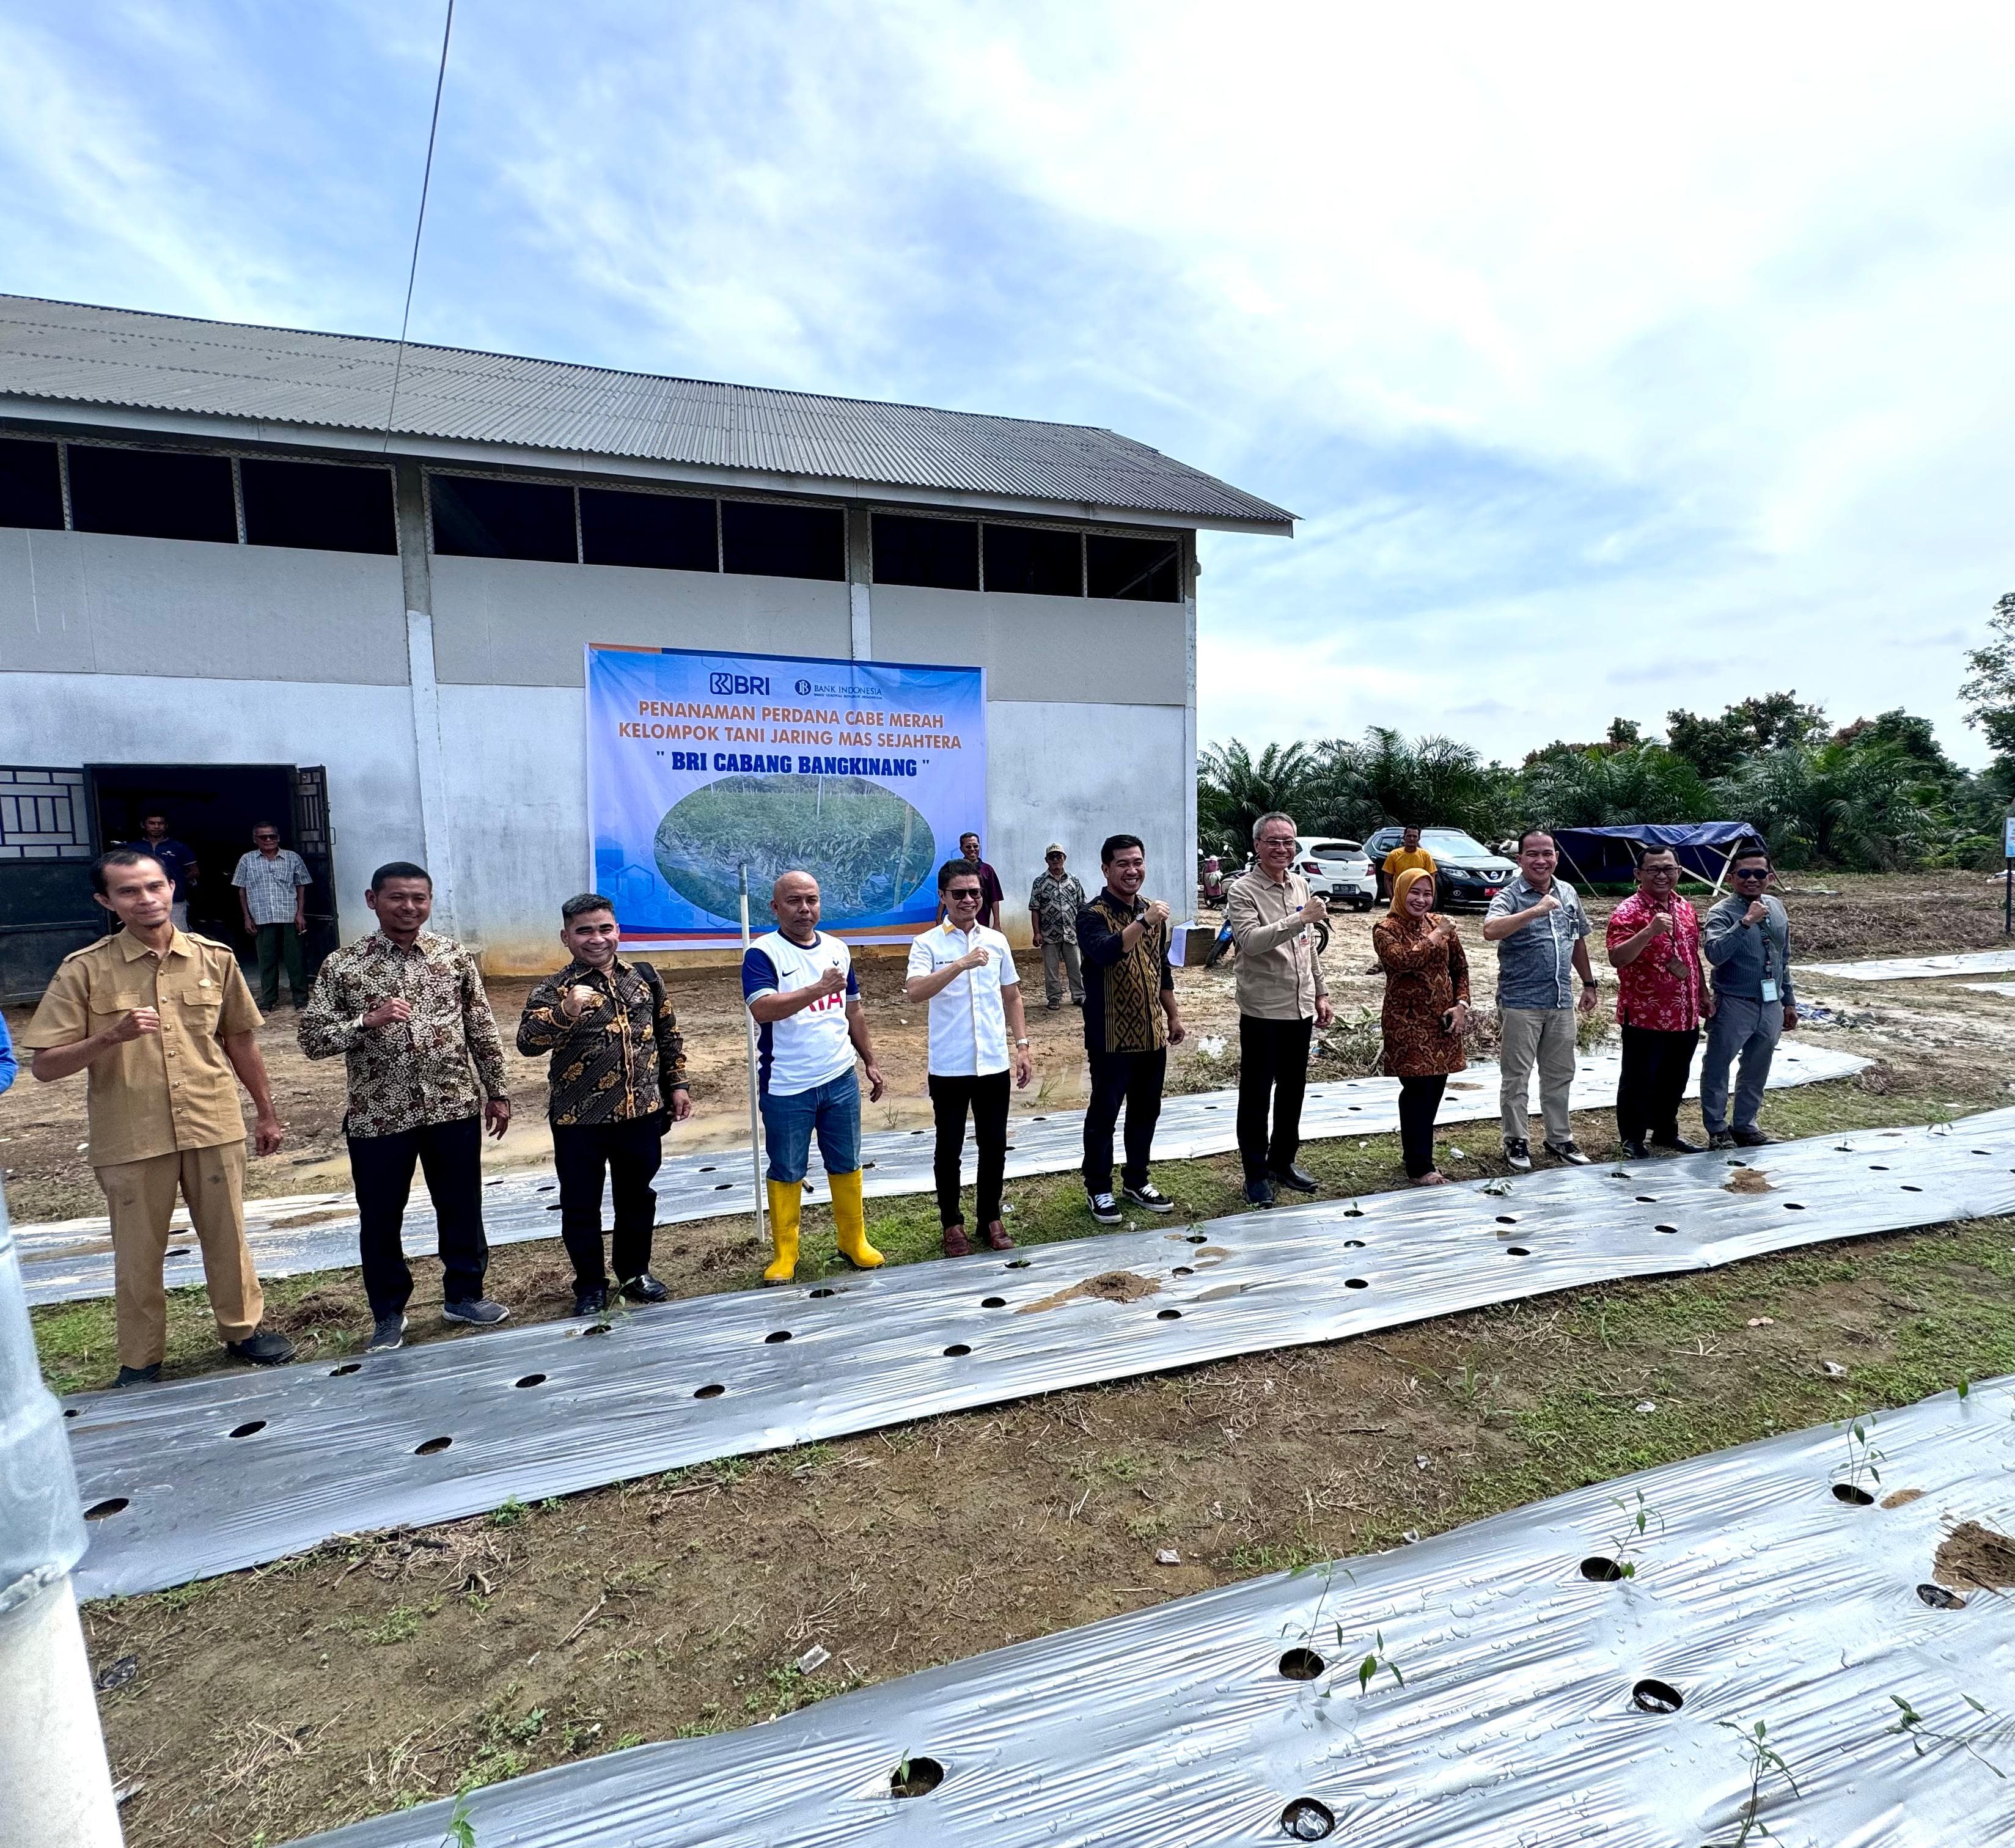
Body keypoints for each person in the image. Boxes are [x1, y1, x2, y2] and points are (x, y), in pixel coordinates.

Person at [19, 848, 293, 1382]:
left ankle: (242, 1331)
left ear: (172, 888)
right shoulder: (85, 970)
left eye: (154, 886)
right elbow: (46, 1067)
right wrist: (112, 1036)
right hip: (132, 1133)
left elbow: (240, 1041)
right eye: (128, 891)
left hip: (211, 1119)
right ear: (106, 900)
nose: (145, 900)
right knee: (138, 1250)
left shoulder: (215, 958)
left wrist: (266, 1112)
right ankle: (141, 1359)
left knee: (228, 1233)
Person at [299, 860, 512, 1352]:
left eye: (419, 898)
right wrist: (365, 1022)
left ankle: (464, 1296)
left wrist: (496, 1091)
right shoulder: (343, 966)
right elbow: (311, 1040)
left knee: (460, 1207)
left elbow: (480, 1027)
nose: (409, 907)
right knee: (380, 1217)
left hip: (451, 1106)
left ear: (430, 901)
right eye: (397, 897)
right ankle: (388, 1314)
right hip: (378, 1116)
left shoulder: (453, 958)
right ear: (373, 901)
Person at [516, 893, 692, 1316]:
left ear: (618, 931)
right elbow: (527, 1044)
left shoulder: (644, 978)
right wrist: (565, 1011)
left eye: (604, 928)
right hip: (580, 1121)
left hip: (641, 1114)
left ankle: (634, 1273)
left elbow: (667, 1035)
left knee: (637, 1198)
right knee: (581, 1206)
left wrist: (677, 1085)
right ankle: (590, 1286)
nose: (596, 939)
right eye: (584, 931)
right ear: (566, 937)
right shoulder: (554, 988)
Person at [743, 870, 888, 1283]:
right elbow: (764, 1009)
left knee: (846, 1161)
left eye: (812, 900)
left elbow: (853, 1010)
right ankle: (785, 1254)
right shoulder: (762, 953)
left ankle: (852, 1240)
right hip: (787, 1085)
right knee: (787, 1168)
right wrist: (817, 987)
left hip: (839, 1078)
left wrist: (869, 1061)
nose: (804, 909)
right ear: (775, 907)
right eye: (793, 901)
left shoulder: (838, 949)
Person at [906, 859, 1035, 1255]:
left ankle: (989, 1217)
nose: (968, 900)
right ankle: (951, 1223)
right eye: (958, 893)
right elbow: (914, 991)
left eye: (974, 893)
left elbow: (1011, 995)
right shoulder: (927, 944)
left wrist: (1023, 1045)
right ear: (943, 897)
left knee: (993, 1144)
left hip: (992, 1063)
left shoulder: (995, 941)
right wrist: (960, 964)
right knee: (949, 1147)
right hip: (949, 1066)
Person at [1076, 832, 1187, 1222]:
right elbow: (1106, 952)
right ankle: (1099, 1188)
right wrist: (1144, 920)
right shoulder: (1091, 914)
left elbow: (1162, 969)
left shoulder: (1152, 911)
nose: (1132, 870)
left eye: (1137, 862)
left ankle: (1136, 1179)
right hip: (1109, 1035)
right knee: (1105, 1113)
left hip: (1151, 1033)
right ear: (1106, 869)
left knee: (1146, 1111)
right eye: (1122, 863)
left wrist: (1172, 1015)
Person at [1226, 812, 1334, 1206]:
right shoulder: (1243, 890)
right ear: (1257, 846)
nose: (1281, 849)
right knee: (1256, 1094)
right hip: (1263, 1009)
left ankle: (1282, 1161)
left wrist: (1321, 992)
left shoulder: (1301, 885)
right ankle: (1255, 1173)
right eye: (1273, 842)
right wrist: (1299, 918)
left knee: (1293, 1090)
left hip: (1300, 1007)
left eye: (1288, 842)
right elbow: (1250, 941)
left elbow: (1307, 946)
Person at [1483, 828, 1599, 1169]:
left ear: (1556, 857)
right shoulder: (1510, 895)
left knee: (1560, 1073)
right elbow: (1490, 930)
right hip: (1521, 1001)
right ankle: (1516, 1141)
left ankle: (1559, 1138)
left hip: (1561, 1000)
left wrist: (1589, 984)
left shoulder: (1568, 893)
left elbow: (1578, 939)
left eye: (1547, 853)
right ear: (1520, 859)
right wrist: (1535, 910)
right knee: (1516, 1076)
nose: (1541, 860)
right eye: (1532, 854)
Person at [1606, 846, 1712, 1159]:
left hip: (1685, 1012)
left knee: (1675, 1078)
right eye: (1654, 869)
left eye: (1669, 868)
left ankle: (1666, 1132)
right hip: (1645, 1014)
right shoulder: (1628, 911)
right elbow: (1617, 958)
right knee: (1639, 1080)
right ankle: (1632, 1139)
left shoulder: (1685, 908)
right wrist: (1649, 932)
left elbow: (1691, 957)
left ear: (1679, 872)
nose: (1662, 875)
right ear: (1639, 875)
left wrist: (1703, 994)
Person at [1373, 867, 1471, 1184]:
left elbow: (1460, 968)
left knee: (1435, 1090)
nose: (1421, 899)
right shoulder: (1386, 928)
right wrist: (1437, 934)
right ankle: (1419, 1166)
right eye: (1414, 892)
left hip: (1441, 1023)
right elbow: (1402, 961)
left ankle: (1420, 1155)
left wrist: (1461, 1004)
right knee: (1417, 1089)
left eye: (1427, 893)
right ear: (1400, 893)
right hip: (1407, 1023)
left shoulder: (1440, 924)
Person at [1700, 845, 1797, 1149]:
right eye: (1744, 873)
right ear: (1732, 878)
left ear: (1770, 877)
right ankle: (1717, 1129)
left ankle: (1745, 1125)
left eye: (1759, 874)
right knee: (1718, 1066)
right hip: (1734, 1003)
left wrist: (1788, 1000)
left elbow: (1784, 956)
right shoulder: (1721, 913)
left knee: (1757, 1067)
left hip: (1771, 1003)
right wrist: (1745, 923)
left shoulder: (1777, 907)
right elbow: (1715, 954)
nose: (1752, 879)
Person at [232, 823, 314, 1011]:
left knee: (296, 959)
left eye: (272, 836)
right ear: (255, 840)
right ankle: (268, 1000)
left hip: (289, 915)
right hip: (261, 916)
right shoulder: (247, 860)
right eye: (263, 837)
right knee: (266, 960)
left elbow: (301, 885)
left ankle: (301, 1000)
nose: (268, 840)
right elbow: (242, 890)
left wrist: (300, 913)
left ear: (278, 837)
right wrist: (247, 917)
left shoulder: (292, 858)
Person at [1029, 844, 1087, 1010]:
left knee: (1076, 966)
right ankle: (1054, 997)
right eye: (1052, 857)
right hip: (1049, 933)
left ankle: (1079, 995)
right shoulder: (1040, 882)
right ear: (1046, 860)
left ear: (1064, 858)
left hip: (1071, 932)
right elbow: (1035, 908)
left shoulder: (1074, 880)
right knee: (1051, 969)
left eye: (1059, 856)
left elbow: (1082, 905)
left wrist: (1084, 929)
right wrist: (1037, 932)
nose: (1056, 860)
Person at [138, 812, 199, 932]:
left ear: (166, 826)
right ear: (143, 825)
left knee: (179, 937)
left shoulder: (178, 847)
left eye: (160, 823)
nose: (156, 826)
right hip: (142, 900)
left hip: (174, 901)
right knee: (147, 936)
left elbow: (195, 871)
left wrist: (178, 880)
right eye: (152, 823)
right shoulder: (134, 848)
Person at [956, 832, 1005, 931]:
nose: (972, 849)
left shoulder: (988, 870)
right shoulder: (955, 870)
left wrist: (997, 924)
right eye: (968, 847)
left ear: (980, 847)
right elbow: (946, 895)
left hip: (982, 922)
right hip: (959, 921)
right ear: (961, 849)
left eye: (975, 846)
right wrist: (939, 918)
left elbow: (995, 899)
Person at [1378, 824, 1436, 903]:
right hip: (1400, 898)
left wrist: (1429, 898)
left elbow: (1432, 878)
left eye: (1415, 836)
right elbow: (1388, 879)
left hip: (1419, 899)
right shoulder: (1394, 855)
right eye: (1409, 836)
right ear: (1404, 838)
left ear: (1419, 838)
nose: (1412, 839)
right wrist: (1392, 899)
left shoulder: (1426, 856)